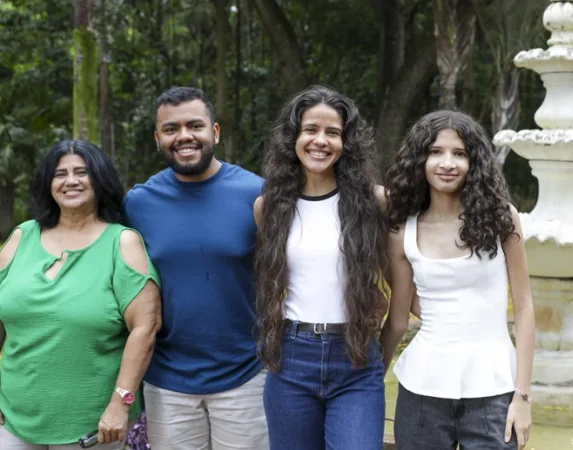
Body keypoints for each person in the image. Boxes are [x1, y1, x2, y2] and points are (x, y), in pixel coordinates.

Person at [379, 110, 536, 450]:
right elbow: (398, 319)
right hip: (422, 393)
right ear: (420, 160)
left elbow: (524, 309)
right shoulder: (402, 231)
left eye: (459, 153)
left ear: (474, 162)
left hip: (493, 393)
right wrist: (370, 378)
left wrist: (522, 397)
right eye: (436, 152)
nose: (447, 163)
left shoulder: (502, 219)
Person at [123, 86, 268, 449]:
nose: (184, 136)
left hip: (246, 374)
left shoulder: (257, 193)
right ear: (158, 139)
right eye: (171, 129)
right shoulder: (138, 203)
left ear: (214, 132)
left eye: (195, 126)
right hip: (167, 379)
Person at [0, 140, 161, 449]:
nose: (70, 181)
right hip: (14, 416)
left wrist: (120, 403)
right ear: (48, 184)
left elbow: (145, 328)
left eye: (82, 172)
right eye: (60, 174)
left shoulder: (122, 243)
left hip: (92, 423)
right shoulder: (22, 236)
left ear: (100, 180)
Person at [253, 85, 389, 450]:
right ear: (293, 137)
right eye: (310, 129)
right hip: (291, 359)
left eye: (333, 132)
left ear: (347, 143)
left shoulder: (373, 201)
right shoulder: (269, 207)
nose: (320, 141)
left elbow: (400, 279)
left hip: (356, 359)